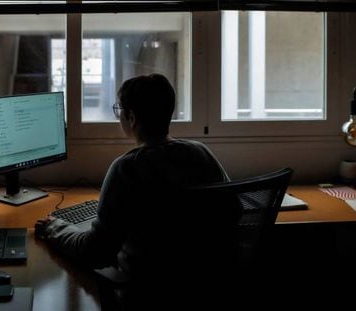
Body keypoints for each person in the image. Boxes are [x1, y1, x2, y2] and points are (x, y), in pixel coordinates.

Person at [35, 73, 239, 310]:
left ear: (131, 118)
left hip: (145, 293)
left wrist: (55, 228)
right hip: (205, 288)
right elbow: (234, 211)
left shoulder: (127, 168)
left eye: (119, 109)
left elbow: (95, 252)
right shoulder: (201, 153)